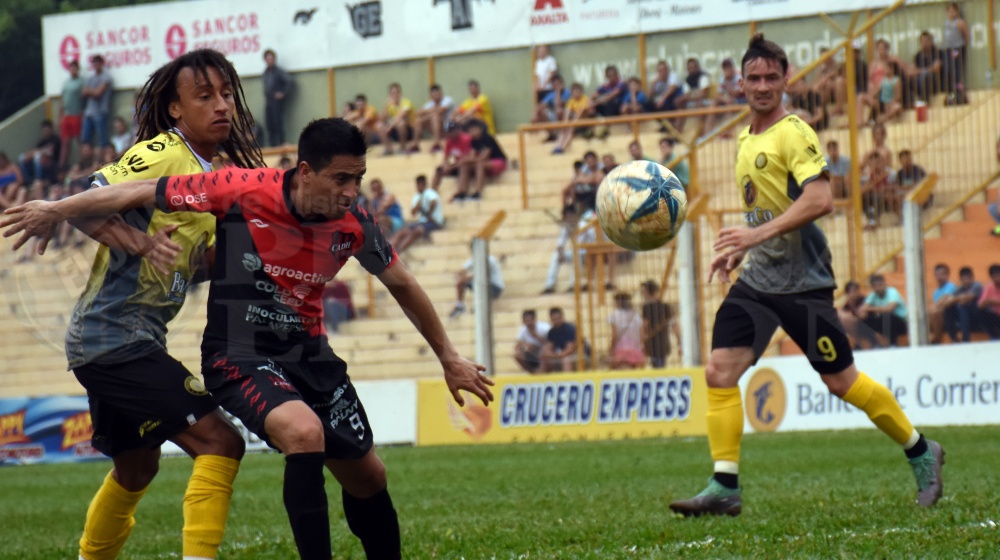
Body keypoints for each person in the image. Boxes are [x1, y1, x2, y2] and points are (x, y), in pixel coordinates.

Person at [2, 117, 496, 560]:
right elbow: (140, 190)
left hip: (310, 355)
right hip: (240, 354)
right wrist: (56, 209)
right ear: (306, 172)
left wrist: (448, 357)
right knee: (304, 433)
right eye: (341, 179)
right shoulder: (242, 188)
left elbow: (403, 283)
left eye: (358, 179)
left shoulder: (355, 226)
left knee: (370, 477)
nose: (351, 192)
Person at [668, 34, 943, 518]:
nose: (762, 86)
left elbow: (820, 199)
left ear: (785, 80)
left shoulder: (794, 132)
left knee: (841, 382)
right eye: (754, 78)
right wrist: (743, 251)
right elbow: (767, 210)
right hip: (758, 281)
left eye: (771, 77)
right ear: (740, 83)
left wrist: (754, 237)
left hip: (803, 284)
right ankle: (724, 485)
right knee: (719, 372)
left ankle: (922, 451)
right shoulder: (746, 139)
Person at [4, 49, 264, 560]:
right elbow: (88, 200)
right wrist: (126, 237)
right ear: (174, 109)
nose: (221, 105)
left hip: (122, 339)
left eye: (226, 94)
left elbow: (188, 264)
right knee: (221, 442)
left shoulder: (212, 175)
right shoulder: (165, 152)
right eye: (204, 96)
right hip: (114, 338)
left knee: (137, 467)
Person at [541, 204, 597, 294]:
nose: (568, 219)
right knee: (556, 255)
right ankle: (550, 285)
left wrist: (573, 231)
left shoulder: (584, 225)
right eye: (566, 217)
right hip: (576, 253)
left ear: (575, 216)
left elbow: (592, 241)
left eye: (570, 216)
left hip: (587, 254)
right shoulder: (566, 227)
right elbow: (560, 244)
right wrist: (560, 254)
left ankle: (574, 285)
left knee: (576, 253)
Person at [390, 174, 445, 254]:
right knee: (402, 231)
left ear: (424, 184)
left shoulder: (429, 192)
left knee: (417, 231)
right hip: (423, 222)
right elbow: (413, 213)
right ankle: (389, 251)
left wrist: (429, 213)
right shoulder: (417, 196)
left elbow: (433, 202)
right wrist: (418, 205)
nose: (419, 186)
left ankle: (398, 252)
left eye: (421, 184)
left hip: (434, 221)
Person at [449, 243, 504, 318]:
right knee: (461, 283)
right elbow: (462, 270)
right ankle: (460, 306)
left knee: (479, 283)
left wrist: (465, 277)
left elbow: (481, 275)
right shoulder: (475, 259)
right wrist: (459, 275)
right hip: (485, 285)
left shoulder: (489, 260)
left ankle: (479, 307)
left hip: (495, 288)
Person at [459, 119, 507, 200]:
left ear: (481, 129)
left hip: (497, 161)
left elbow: (484, 157)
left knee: (479, 164)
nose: (472, 132)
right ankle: (462, 192)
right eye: (470, 130)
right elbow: (472, 155)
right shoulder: (472, 142)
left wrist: (469, 160)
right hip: (483, 163)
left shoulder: (488, 138)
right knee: (465, 166)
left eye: (474, 129)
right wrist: (466, 161)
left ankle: (478, 192)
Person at [859, 274, 909, 347]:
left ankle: (892, 344)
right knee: (867, 320)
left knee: (886, 316)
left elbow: (889, 309)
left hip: (901, 322)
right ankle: (874, 344)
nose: (879, 288)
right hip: (884, 321)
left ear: (884, 284)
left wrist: (869, 309)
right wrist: (863, 313)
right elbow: (862, 309)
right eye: (876, 286)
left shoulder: (892, 292)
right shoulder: (873, 295)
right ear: (872, 287)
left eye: (880, 285)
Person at [640, 280, 680, 368]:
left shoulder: (646, 308)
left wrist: (641, 342)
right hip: (663, 343)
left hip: (652, 344)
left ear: (647, 292)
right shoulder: (666, 306)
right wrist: (679, 342)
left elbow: (644, 326)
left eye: (643, 292)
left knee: (656, 367)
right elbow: (675, 326)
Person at [432, 121, 474, 200]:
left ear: (457, 130)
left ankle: (461, 191)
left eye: (451, 131)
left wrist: (452, 167)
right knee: (439, 169)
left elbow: (466, 158)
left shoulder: (466, 139)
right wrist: (445, 166)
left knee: (463, 166)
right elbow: (445, 158)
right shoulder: (449, 142)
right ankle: (432, 191)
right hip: (457, 164)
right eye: (448, 132)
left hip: (469, 164)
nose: (450, 134)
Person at [703, 58, 746, 136]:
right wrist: (724, 98)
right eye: (725, 68)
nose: (727, 69)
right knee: (714, 103)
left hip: (742, 100)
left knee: (729, 102)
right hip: (729, 99)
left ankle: (729, 131)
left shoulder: (738, 76)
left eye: (729, 67)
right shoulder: (723, 78)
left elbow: (737, 92)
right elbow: (717, 95)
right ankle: (707, 133)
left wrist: (726, 92)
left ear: (733, 67)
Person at [540, 307, 588, 373]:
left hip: (580, 353)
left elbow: (570, 349)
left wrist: (556, 355)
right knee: (544, 359)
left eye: (558, 318)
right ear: (551, 319)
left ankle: (567, 379)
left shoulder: (570, 329)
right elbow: (547, 349)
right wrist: (554, 355)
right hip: (562, 354)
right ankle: (544, 379)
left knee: (566, 359)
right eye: (554, 319)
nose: (557, 321)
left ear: (562, 317)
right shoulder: (551, 332)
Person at [80, 54, 113, 150]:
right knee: (85, 140)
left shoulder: (106, 77)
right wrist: (93, 91)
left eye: (97, 62)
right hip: (89, 112)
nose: (96, 65)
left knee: (102, 140)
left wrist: (90, 91)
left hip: (101, 112)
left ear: (102, 63)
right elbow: (83, 93)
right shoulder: (90, 78)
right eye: (94, 63)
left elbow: (98, 93)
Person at [411, 84, 455, 153]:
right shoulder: (430, 103)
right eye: (433, 95)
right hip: (436, 128)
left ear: (441, 93)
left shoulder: (447, 100)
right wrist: (430, 111)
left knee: (435, 117)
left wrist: (428, 112)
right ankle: (415, 145)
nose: (435, 97)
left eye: (437, 94)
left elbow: (440, 111)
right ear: (430, 95)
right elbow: (417, 112)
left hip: (448, 128)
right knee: (418, 120)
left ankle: (437, 143)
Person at [551, 82, 594, 155]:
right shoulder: (571, 101)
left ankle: (563, 148)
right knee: (564, 128)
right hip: (575, 123)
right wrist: (565, 123)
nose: (576, 94)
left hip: (585, 123)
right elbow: (567, 113)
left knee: (571, 127)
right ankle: (558, 146)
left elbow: (584, 112)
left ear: (582, 92)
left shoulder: (586, 99)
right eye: (574, 92)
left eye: (578, 91)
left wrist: (573, 123)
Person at [605, 292, 645, 369]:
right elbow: (642, 335)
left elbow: (614, 335)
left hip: (620, 350)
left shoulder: (614, 316)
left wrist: (611, 349)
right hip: (635, 349)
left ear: (617, 303)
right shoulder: (637, 316)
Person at [262, 49, 292, 146]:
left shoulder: (279, 71)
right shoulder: (266, 72)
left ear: (274, 59)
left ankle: (281, 144)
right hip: (268, 100)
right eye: (267, 59)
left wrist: (283, 93)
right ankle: (273, 146)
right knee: (269, 124)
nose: (269, 61)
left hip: (276, 101)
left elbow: (289, 81)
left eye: (271, 58)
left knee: (277, 123)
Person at [59, 59, 86, 169]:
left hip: (77, 114)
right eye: (71, 68)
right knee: (65, 142)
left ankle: (82, 162)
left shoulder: (82, 82)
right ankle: (62, 166)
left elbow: (84, 98)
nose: (73, 70)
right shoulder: (66, 83)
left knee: (79, 141)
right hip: (67, 115)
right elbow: (62, 99)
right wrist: (60, 115)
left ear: (78, 69)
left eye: (75, 68)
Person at [17, 120, 61, 186]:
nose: (46, 132)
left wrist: (38, 151)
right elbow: (34, 151)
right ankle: (28, 181)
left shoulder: (55, 139)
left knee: (37, 156)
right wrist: (31, 154)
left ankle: (38, 179)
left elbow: (50, 152)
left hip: (51, 163)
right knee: (21, 158)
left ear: (51, 129)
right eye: (44, 130)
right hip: (39, 165)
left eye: (47, 130)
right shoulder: (41, 142)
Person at [942, 2, 969, 105]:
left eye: (953, 11)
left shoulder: (960, 22)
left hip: (957, 48)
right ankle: (950, 95)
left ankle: (960, 94)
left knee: (957, 73)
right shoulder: (946, 23)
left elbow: (966, 36)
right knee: (948, 72)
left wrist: (962, 48)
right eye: (949, 11)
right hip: (948, 49)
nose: (951, 13)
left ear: (957, 12)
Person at [377, 83, 415, 156]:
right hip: (395, 130)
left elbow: (400, 116)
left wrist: (389, 127)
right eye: (392, 93)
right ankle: (388, 150)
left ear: (400, 93)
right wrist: (386, 106)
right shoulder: (390, 105)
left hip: (409, 131)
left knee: (401, 123)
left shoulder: (406, 102)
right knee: (379, 125)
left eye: (396, 93)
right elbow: (382, 119)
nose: (395, 95)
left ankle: (403, 148)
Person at [928, 264, 959, 344]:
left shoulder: (951, 286)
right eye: (937, 274)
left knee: (935, 312)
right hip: (938, 314)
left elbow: (943, 300)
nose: (939, 277)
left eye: (942, 274)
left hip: (950, 314)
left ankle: (937, 338)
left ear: (947, 275)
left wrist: (933, 308)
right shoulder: (935, 292)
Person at [911, 31, 944, 103]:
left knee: (926, 78)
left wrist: (921, 71)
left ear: (931, 42)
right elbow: (913, 71)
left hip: (934, 81)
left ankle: (924, 102)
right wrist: (927, 70)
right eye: (923, 41)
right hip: (919, 81)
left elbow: (936, 68)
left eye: (927, 41)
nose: (925, 43)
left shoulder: (938, 53)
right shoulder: (917, 56)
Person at [514, 309, 551, 374]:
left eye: (530, 320)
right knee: (517, 354)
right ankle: (532, 372)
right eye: (526, 321)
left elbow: (549, 343)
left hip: (544, 351)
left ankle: (542, 373)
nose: (529, 323)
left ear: (534, 319)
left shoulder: (544, 328)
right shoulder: (523, 329)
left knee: (544, 352)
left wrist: (536, 337)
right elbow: (517, 345)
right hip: (532, 353)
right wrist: (525, 346)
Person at [977, 264, 1000, 338]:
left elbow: (989, 301)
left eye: (998, 275)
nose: (997, 278)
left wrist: (991, 301)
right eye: (994, 276)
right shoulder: (989, 287)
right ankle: (994, 336)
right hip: (996, 315)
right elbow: (980, 304)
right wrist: (985, 303)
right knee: (980, 312)